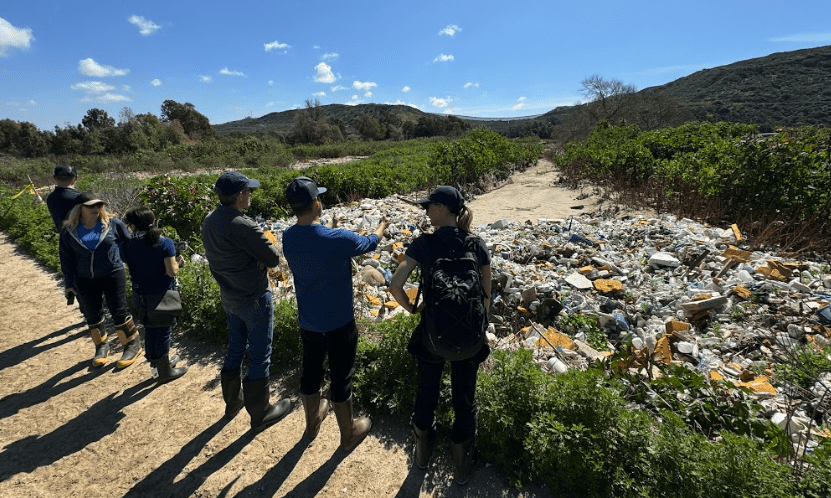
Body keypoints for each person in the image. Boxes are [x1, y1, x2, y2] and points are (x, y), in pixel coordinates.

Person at [389, 186, 491, 485]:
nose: (426, 211)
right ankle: (461, 467)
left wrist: (413, 308)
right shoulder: (477, 244)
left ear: (443, 209)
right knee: (465, 400)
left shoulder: (423, 244)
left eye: (429, 206)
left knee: (427, 392)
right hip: (470, 337)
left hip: (433, 335)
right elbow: (486, 296)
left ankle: (422, 455)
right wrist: (476, 326)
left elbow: (395, 285)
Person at [281, 176, 387, 451]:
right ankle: (348, 433)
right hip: (339, 322)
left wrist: (330, 227)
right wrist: (382, 226)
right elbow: (369, 244)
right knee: (341, 376)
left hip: (309, 322)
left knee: (311, 372)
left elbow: (315, 238)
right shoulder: (338, 239)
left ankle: (313, 422)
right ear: (317, 203)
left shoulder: (289, 236)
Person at [201, 171, 290, 431]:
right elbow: (273, 258)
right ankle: (260, 412)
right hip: (253, 296)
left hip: (229, 296)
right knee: (261, 354)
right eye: (248, 191)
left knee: (235, 348)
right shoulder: (243, 224)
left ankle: (232, 402)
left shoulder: (209, 220)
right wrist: (259, 257)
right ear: (240, 196)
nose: (250, 195)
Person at [59, 193, 142, 369]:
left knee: (119, 310)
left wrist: (138, 270)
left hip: (113, 273)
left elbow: (129, 247)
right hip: (84, 278)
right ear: (79, 208)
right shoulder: (68, 231)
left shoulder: (113, 224)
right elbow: (66, 259)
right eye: (90, 206)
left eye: (99, 205)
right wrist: (69, 283)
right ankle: (102, 346)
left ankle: (132, 344)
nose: (96, 208)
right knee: (92, 313)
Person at [121, 206, 188, 385]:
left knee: (150, 328)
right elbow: (172, 271)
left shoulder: (127, 245)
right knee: (164, 330)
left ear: (132, 226)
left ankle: (157, 364)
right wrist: (178, 263)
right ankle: (165, 371)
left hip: (140, 295)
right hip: (162, 294)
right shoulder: (164, 242)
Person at [46, 163, 81, 232]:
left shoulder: (50, 198)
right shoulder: (79, 198)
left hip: (63, 239)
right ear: (76, 178)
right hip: (81, 239)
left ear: (55, 178)